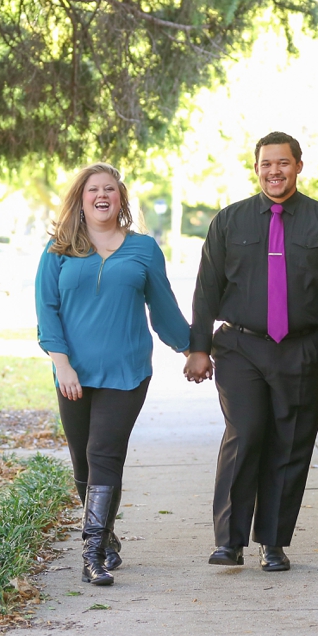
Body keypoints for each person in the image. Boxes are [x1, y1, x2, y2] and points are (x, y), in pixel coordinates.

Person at [184, 131, 318, 572]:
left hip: (302, 348)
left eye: (282, 163)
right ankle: (229, 541)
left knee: (291, 443)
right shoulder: (229, 221)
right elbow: (207, 289)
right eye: (266, 164)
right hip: (241, 346)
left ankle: (273, 542)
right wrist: (199, 348)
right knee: (245, 432)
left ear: (298, 166)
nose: (274, 171)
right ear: (256, 167)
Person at [36, 163, 190, 586]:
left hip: (126, 372)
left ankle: (90, 555)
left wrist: (194, 347)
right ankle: (105, 538)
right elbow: (46, 311)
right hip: (73, 375)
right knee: (82, 465)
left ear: (120, 198)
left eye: (110, 189)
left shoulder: (143, 249)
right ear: (80, 199)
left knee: (104, 454)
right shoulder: (58, 249)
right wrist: (61, 363)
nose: (101, 195)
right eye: (93, 190)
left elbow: (164, 310)